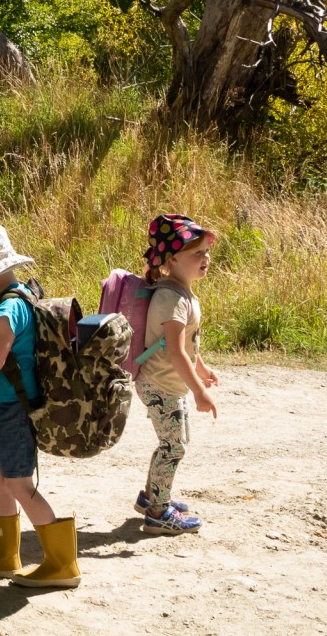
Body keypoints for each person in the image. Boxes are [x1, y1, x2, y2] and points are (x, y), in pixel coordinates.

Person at [0, 221, 80, 589]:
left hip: (14, 409)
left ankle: (62, 562)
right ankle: (3, 555)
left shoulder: (8, 309)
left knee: (19, 483)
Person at [135, 214, 219, 535]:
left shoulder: (181, 292)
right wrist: (199, 390)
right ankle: (158, 511)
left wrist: (202, 369)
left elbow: (185, 346)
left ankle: (152, 496)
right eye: (197, 253)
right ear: (172, 259)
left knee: (174, 441)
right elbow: (174, 350)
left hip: (169, 384)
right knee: (174, 446)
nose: (205, 258)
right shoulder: (171, 297)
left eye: (206, 252)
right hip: (159, 385)